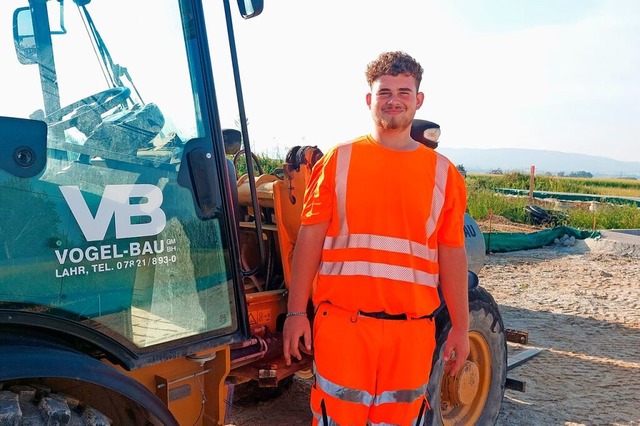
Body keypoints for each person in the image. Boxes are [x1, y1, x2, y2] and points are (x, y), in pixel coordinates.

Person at [283, 51, 469, 425]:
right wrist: (294, 312)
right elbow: (309, 242)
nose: (394, 99)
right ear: (370, 99)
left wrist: (462, 328)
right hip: (343, 329)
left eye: (404, 91)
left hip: (412, 334)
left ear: (419, 99)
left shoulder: (444, 175)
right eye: (385, 91)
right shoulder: (339, 160)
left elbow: (451, 255)